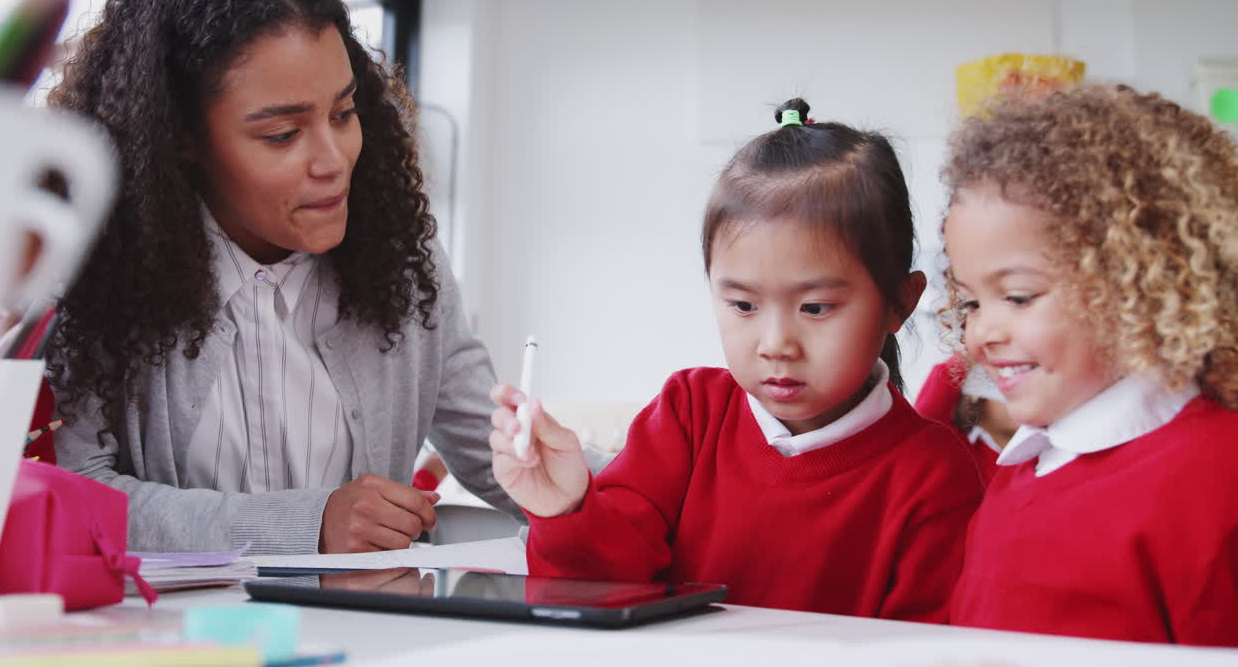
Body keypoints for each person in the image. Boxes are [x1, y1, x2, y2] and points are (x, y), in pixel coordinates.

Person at [45, 0, 519, 555]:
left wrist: (603, 480)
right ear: (180, 137)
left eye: (343, 113)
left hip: (369, 616)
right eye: (283, 134)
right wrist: (306, 523)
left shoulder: (404, 265)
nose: (334, 160)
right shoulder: (88, 276)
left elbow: (498, 455)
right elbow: (68, 491)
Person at [486, 99, 984, 620]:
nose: (776, 344)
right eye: (744, 306)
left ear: (899, 303)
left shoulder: (934, 476)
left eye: (815, 308)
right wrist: (566, 508)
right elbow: (605, 588)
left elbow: (924, 645)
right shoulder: (689, 414)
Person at [942, 84, 1238, 645]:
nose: (980, 334)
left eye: (1020, 297)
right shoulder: (1023, 470)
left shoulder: (1216, 478)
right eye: (971, 303)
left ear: (1138, 279)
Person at [914, 355, 1017, 483]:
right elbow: (925, 420)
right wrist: (974, 351)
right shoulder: (961, 453)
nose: (1024, 402)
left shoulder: (1039, 452)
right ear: (976, 399)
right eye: (1010, 394)